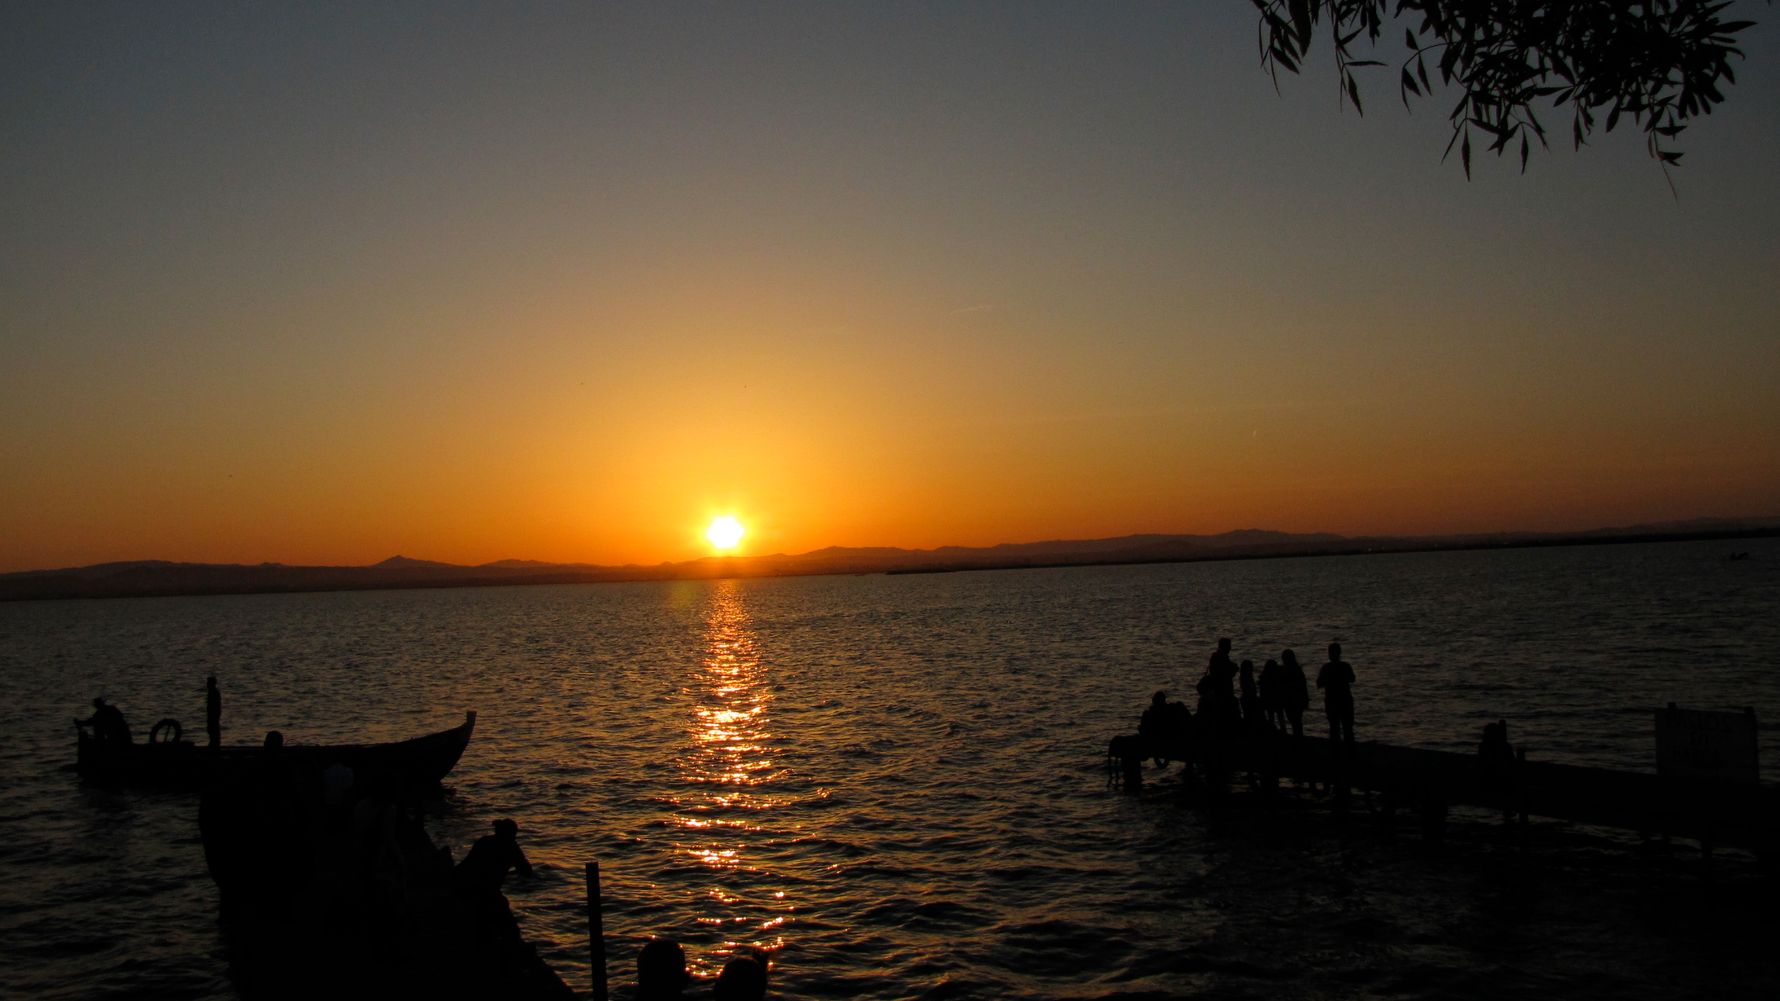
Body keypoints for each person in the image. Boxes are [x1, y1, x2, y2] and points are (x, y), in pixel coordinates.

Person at [456, 818, 533, 896]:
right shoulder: (511, 848)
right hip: (490, 891)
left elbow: (466, 864)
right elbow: (527, 872)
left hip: (470, 885)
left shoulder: (484, 841)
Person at [1317, 642, 1356, 754]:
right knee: (1347, 728)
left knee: (1334, 728)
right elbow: (1352, 678)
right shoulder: (1345, 666)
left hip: (1332, 701)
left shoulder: (1326, 668)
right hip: (1345, 700)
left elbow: (1319, 683)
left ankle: (1336, 752)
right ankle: (1349, 752)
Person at [1278, 649, 1309, 739]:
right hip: (1295, 700)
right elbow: (1303, 686)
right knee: (1296, 721)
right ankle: (1298, 738)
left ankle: (1298, 738)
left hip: (1291, 700)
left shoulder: (1285, 671)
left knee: (1295, 721)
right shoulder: (1297, 670)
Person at [205, 676, 222, 749]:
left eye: (208, 683)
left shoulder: (213, 692)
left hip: (213, 717)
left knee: (213, 734)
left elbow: (215, 707)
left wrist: (213, 717)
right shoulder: (213, 692)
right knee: (213, 734)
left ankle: (213, 749)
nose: (207, 684)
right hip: (213, 716)